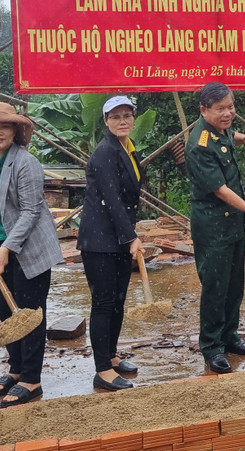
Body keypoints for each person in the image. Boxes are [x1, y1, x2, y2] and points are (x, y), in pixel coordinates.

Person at [0, 102, 64, 408]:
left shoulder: (25, 162)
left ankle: (31, 379)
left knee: (28, 314)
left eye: (4, 126)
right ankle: (16, 369)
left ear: (14, 131)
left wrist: (8, 247)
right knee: (6, 310)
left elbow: (31, 211)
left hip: (28, 247)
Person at [185, 82, 245, 374]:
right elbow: (221, 190)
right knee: (215, 287)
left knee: (234, 284)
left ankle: (229, 336)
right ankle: (212, 347)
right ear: (204, 110)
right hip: (212, 226)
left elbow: (228, 137)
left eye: (230, 107)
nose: (228, 113)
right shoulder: (198, 145)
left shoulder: (220, 131)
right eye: (220, 109)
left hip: (232, 223)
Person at [77, 96, 145, 390]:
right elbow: (111, 199)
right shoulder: (105, 151)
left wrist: (127, 235)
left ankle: (112, 355)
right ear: (105, 121)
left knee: (118, 300)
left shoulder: (127, 147)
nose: (122, 121)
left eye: (127, 115)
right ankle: (102, 370)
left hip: (117, 238)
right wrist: (132, 236)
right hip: (99, 240)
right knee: (104, 303)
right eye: (115, 117)